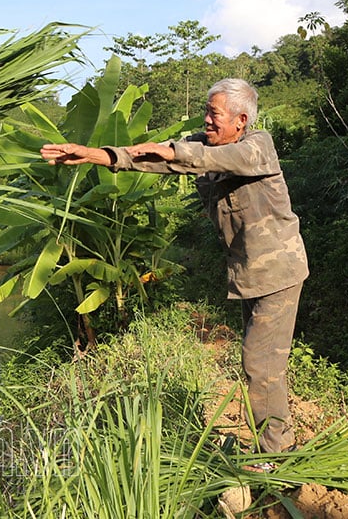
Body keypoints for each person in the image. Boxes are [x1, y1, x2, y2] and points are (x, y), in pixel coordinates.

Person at [40, 78, 308, 455]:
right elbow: (152, 158)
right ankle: (276, 441)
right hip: (249, 271)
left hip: (278, 272)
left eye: (215, 114)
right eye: (207, 112)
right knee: (262, 360)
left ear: (241, 120)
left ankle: (276, 453)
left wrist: (172, 150)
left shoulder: (258, 146)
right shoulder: (204, 144)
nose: (207, 120)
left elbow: (212, 159)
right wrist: (93, 154)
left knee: (260, 362)